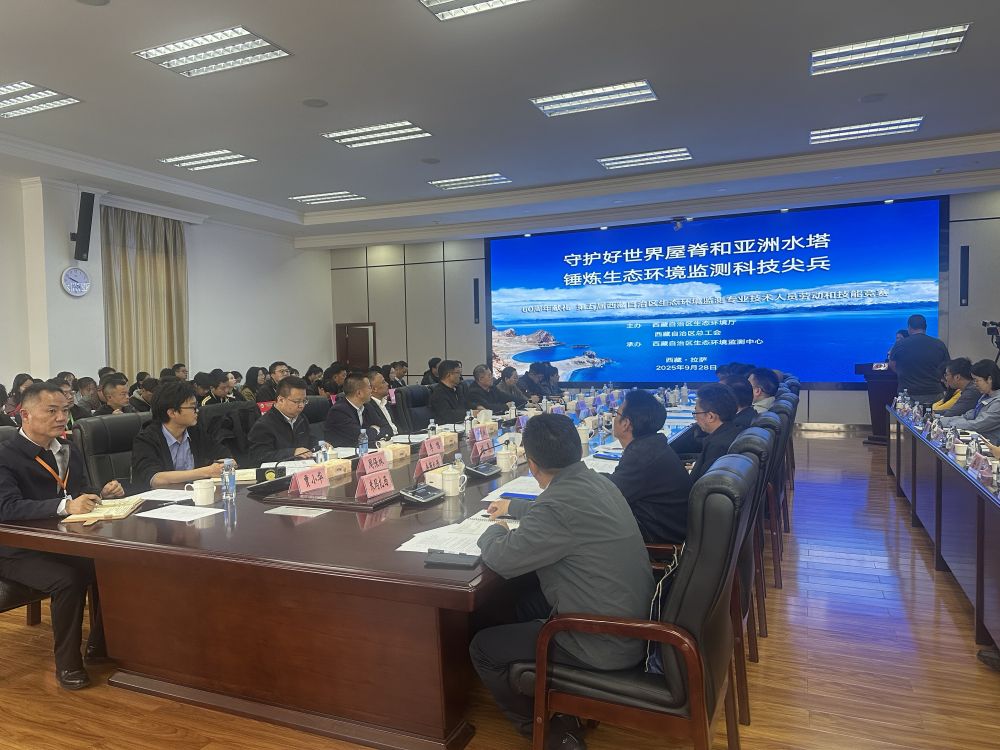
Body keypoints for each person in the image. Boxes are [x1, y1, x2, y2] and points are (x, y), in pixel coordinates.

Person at [471, 414, 654, 747]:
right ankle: (549, 696)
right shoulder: (598, 481)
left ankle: (545, 731)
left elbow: (501, 557)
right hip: (632, 625)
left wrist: (494, 531)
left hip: (600, 642)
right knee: (522, 604)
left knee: (483, 647)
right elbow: (559, 512)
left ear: (531, 463)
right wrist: (515, 506)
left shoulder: (557, 506)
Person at [0, 383, 125, 689]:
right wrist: (65, 506)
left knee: (108, 564)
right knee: (67, 579)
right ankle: (68, 664)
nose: (61, 417)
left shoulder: (68, 449)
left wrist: (101, 494)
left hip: (60, 541)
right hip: (15, 549)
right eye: (52, 411)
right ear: (25, 415)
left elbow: (81, 491)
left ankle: (100, 646)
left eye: (65, 410)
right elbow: (6, 508)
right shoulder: (6, 455)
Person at [605, 390, 692, 543]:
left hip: (659, 544)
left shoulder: (641, 456)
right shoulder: (652, 445)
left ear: (626, 424)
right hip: (669, 530)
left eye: (616, 414)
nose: (614, 418)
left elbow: (607, 497)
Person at [130, 380, 232, 490]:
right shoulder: (146, 439)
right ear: (172, 413)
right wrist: (207, 472)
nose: (197, 411)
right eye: (192, 407)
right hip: (159, 498)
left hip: (194, 494)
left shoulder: (195, 432)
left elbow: (226, 456)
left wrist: (225, 464)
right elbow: (155, 479)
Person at [247, 376, 313, 465]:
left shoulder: (301, 418)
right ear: (281, 400)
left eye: (304, 401)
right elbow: (259, 457)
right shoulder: (263, 425)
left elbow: (310, 440)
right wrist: (292, 452)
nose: (301, 405)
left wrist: (321, 445)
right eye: (297, 401)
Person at [888, 314, 950, 406]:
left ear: (909, 327)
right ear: (925, 327)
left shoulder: (900, 344)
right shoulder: (939, 344)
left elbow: (892, 364)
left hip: (907, 393)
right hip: (934, 392)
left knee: (907, 415)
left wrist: (902, 374)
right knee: (932, 415)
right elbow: (947, 367)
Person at [690, 383, 743, 484]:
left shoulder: (717, 446)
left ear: (710, 417)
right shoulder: (736, 431)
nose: (695, 418)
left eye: (696, 413)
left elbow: (701, 484)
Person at [939, 359, 1000, 443]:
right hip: (977, 440)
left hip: (991, 446)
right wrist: (941, 420)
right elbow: (968, 416)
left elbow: (977, 425)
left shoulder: (998, 402)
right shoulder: (985, 396)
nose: (975, 384)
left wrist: (948, 424)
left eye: (977, 380)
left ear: (989, 379)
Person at [323, 372, 389, 447]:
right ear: (359, 393)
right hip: (342, 452)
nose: (371, 390)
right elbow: (360, 437)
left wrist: (371, 432)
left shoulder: (367, 406)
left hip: (364, 449)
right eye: (369, 387)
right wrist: (376, 429)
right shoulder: (338, 411)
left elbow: (387, 427)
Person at [429, 360, 466, 424]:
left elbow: (465, 406)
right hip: (445, 428)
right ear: (448, 375)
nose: (460, 376)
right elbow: (448, 416)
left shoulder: (458, 389)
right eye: (458, 373)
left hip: (461, 424)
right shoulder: (439, 393)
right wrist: (469, 413)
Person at [367, 368, 398, 436]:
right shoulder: (368, 407)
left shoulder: (387, 403)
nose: (387, 384)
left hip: (399, 436)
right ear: (374, 389)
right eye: (383, 382)